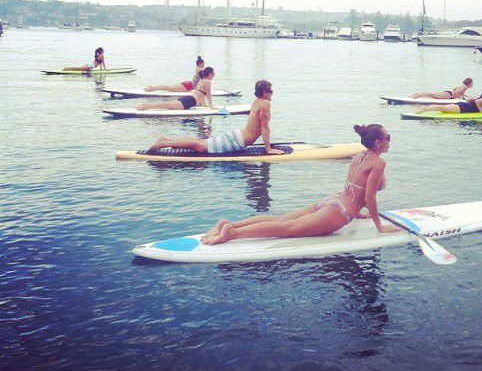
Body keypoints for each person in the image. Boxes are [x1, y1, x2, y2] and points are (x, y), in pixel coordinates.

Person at [200, 123, 401, 245]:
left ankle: (230, 224)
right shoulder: (379, 163)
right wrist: (379, 226)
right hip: (339, 213)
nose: (390, 141)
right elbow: (369, 198)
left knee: (281, 219)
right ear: (378, 143)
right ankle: (232, 233)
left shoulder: (359, 156)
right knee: (286, 229)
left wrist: (358, 213)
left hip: (332, 201)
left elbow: (352, 187)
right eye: (388, 138)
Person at [147, 79, 285, 155]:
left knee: (201, 143)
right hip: (237, 141)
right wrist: (268, 149)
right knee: (200, 146)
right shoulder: (265, 104)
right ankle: (163, 143)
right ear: (264, 93)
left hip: (237, 136)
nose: (272, 94)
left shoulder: (258, 101)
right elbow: (264, 128)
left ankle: (166, 140)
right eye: (271, 91)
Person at [136, 66, 215, 111]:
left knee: (169, 105)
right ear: (210, 74)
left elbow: (201, 95)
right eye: (213, 73)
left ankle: (147, 105)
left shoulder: (202, 80)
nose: (214, 75)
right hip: (190, 101)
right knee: (168, 105)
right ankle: (146, 106)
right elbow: (208, 95)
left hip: (189, 99)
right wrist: (211, 107)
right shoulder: (208, 81)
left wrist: (205, 105)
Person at [416, 88, 482, 114]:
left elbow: (469, 100)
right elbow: (477, 103)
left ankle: (424, 109)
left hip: (462, 106)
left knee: (442, 108)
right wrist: (481, 111)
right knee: (441, 108)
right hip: (462, 108)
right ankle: (423, 109)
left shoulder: (479, 97)